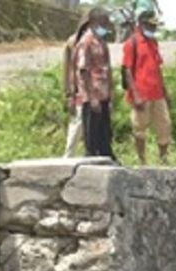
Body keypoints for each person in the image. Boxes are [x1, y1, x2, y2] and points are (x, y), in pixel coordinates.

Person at [122, 10, 172, 165]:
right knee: (140, 129)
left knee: (164, 126)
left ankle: (163, 159)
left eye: (155, 26)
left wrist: (165, 91)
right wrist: (135, 95)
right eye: (150, 26)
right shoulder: (132, 43)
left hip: (157, 94)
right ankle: (142, 161)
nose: (153, 29)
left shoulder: (153, 42)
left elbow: (158, 68)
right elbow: (127, 70)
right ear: (141, 24)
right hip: (141, 94)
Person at [74, 6, 116, 160]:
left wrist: (111, 93)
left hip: (103, 93)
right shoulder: (86, 42)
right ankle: (91, 158)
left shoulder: (101, 42)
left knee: (105, 131)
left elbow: (107, 68)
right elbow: (83, 71)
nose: (105, 27)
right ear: (92, 23)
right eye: (102, 24)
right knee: (91, 134)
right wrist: (91, 97)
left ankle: (106, 155)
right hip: (92, 94)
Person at [62, 13, 91, 157]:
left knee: (89, 126)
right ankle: (68, 157)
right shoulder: (73, 42)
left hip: (93, 92)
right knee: (77, 124)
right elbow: (67, 69)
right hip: (79, 91)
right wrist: (69, 93)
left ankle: (89, 155)